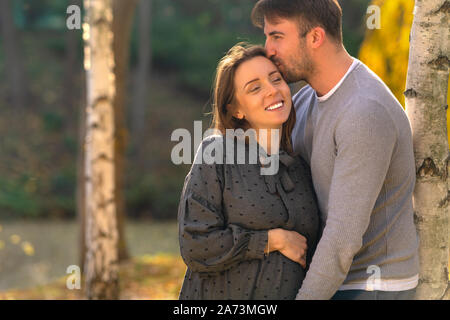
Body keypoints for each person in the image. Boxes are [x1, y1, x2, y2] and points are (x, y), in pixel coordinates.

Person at [251, 0, 420, 300]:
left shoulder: (363, 112)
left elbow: (342, 239)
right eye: (267, 37)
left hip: (371, 287)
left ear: (315, 37)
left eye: (277, 36)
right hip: (334, 279)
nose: (268, 49)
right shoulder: (306, 101)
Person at [177, 44, 320, 300]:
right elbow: (195, 244)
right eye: (255, 88)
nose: (272, 90)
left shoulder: (300, 166)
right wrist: (271, 240)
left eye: (276, 79)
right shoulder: (217, 153)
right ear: (236, 109)